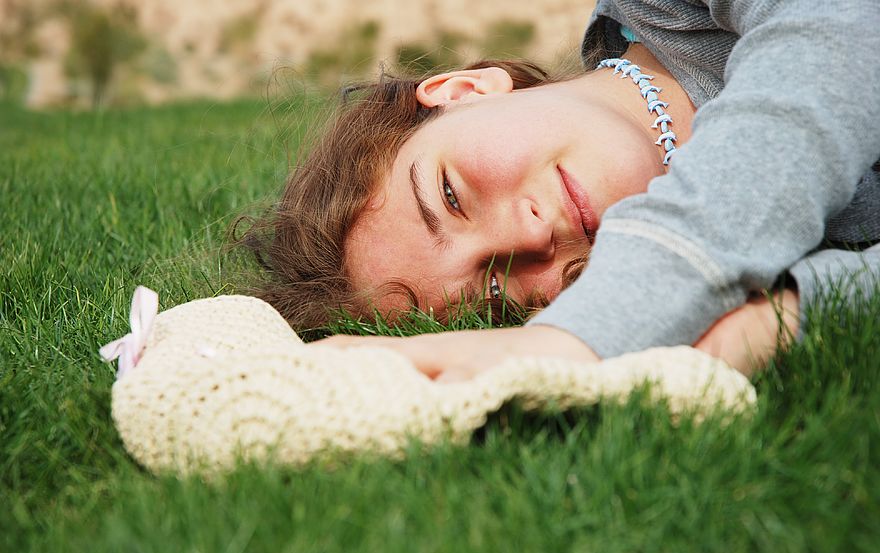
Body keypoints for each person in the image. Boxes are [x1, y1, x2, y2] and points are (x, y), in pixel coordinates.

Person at [239, 0, 880, 381]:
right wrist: (794, 312)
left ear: (463, 92)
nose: (526, 236)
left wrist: (571, 339)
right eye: (494, 296)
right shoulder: (744, 283)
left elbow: (842, 43)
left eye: (451, 196)